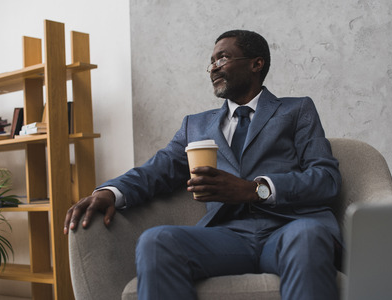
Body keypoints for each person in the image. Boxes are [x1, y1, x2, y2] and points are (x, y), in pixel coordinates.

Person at [65, 29, 342, 300]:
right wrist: (108, 192)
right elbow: (156, 169)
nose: (212, 68)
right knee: (157, 241)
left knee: (309, 235)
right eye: (211, 62)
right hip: (227, 238)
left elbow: (326, 178)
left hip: (289, 229)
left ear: (257, 64)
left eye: (222, 58)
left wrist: (254, 190)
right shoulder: (195, 125)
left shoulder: (297, 110)